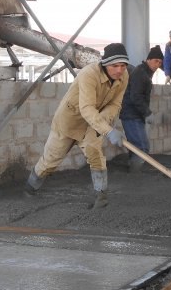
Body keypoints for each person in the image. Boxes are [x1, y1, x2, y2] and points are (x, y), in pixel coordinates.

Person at [25, 43, 130, 208]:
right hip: (69, 121)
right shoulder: (89, 74)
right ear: (105, 64)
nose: (119, 70)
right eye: (115, 66)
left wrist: (104, 123)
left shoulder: (124, 77)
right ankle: (30, 187)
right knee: (50, 161)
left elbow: (115, 104)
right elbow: (86, 108)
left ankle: (101, 197)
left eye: (123, 66)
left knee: (96, 155)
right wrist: (108, 131)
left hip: (93, 124)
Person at [120, 45, 163, 172]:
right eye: (156, 61)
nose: (157, 64)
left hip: (134, 115)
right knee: (141, 147)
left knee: (136, 146)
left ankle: (133, 169)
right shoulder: (141, 73)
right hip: (131, 115)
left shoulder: (145, 73)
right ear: (148, 60)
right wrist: (147, 113)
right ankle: (135, 175)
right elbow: (136, 96)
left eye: (160, 62)